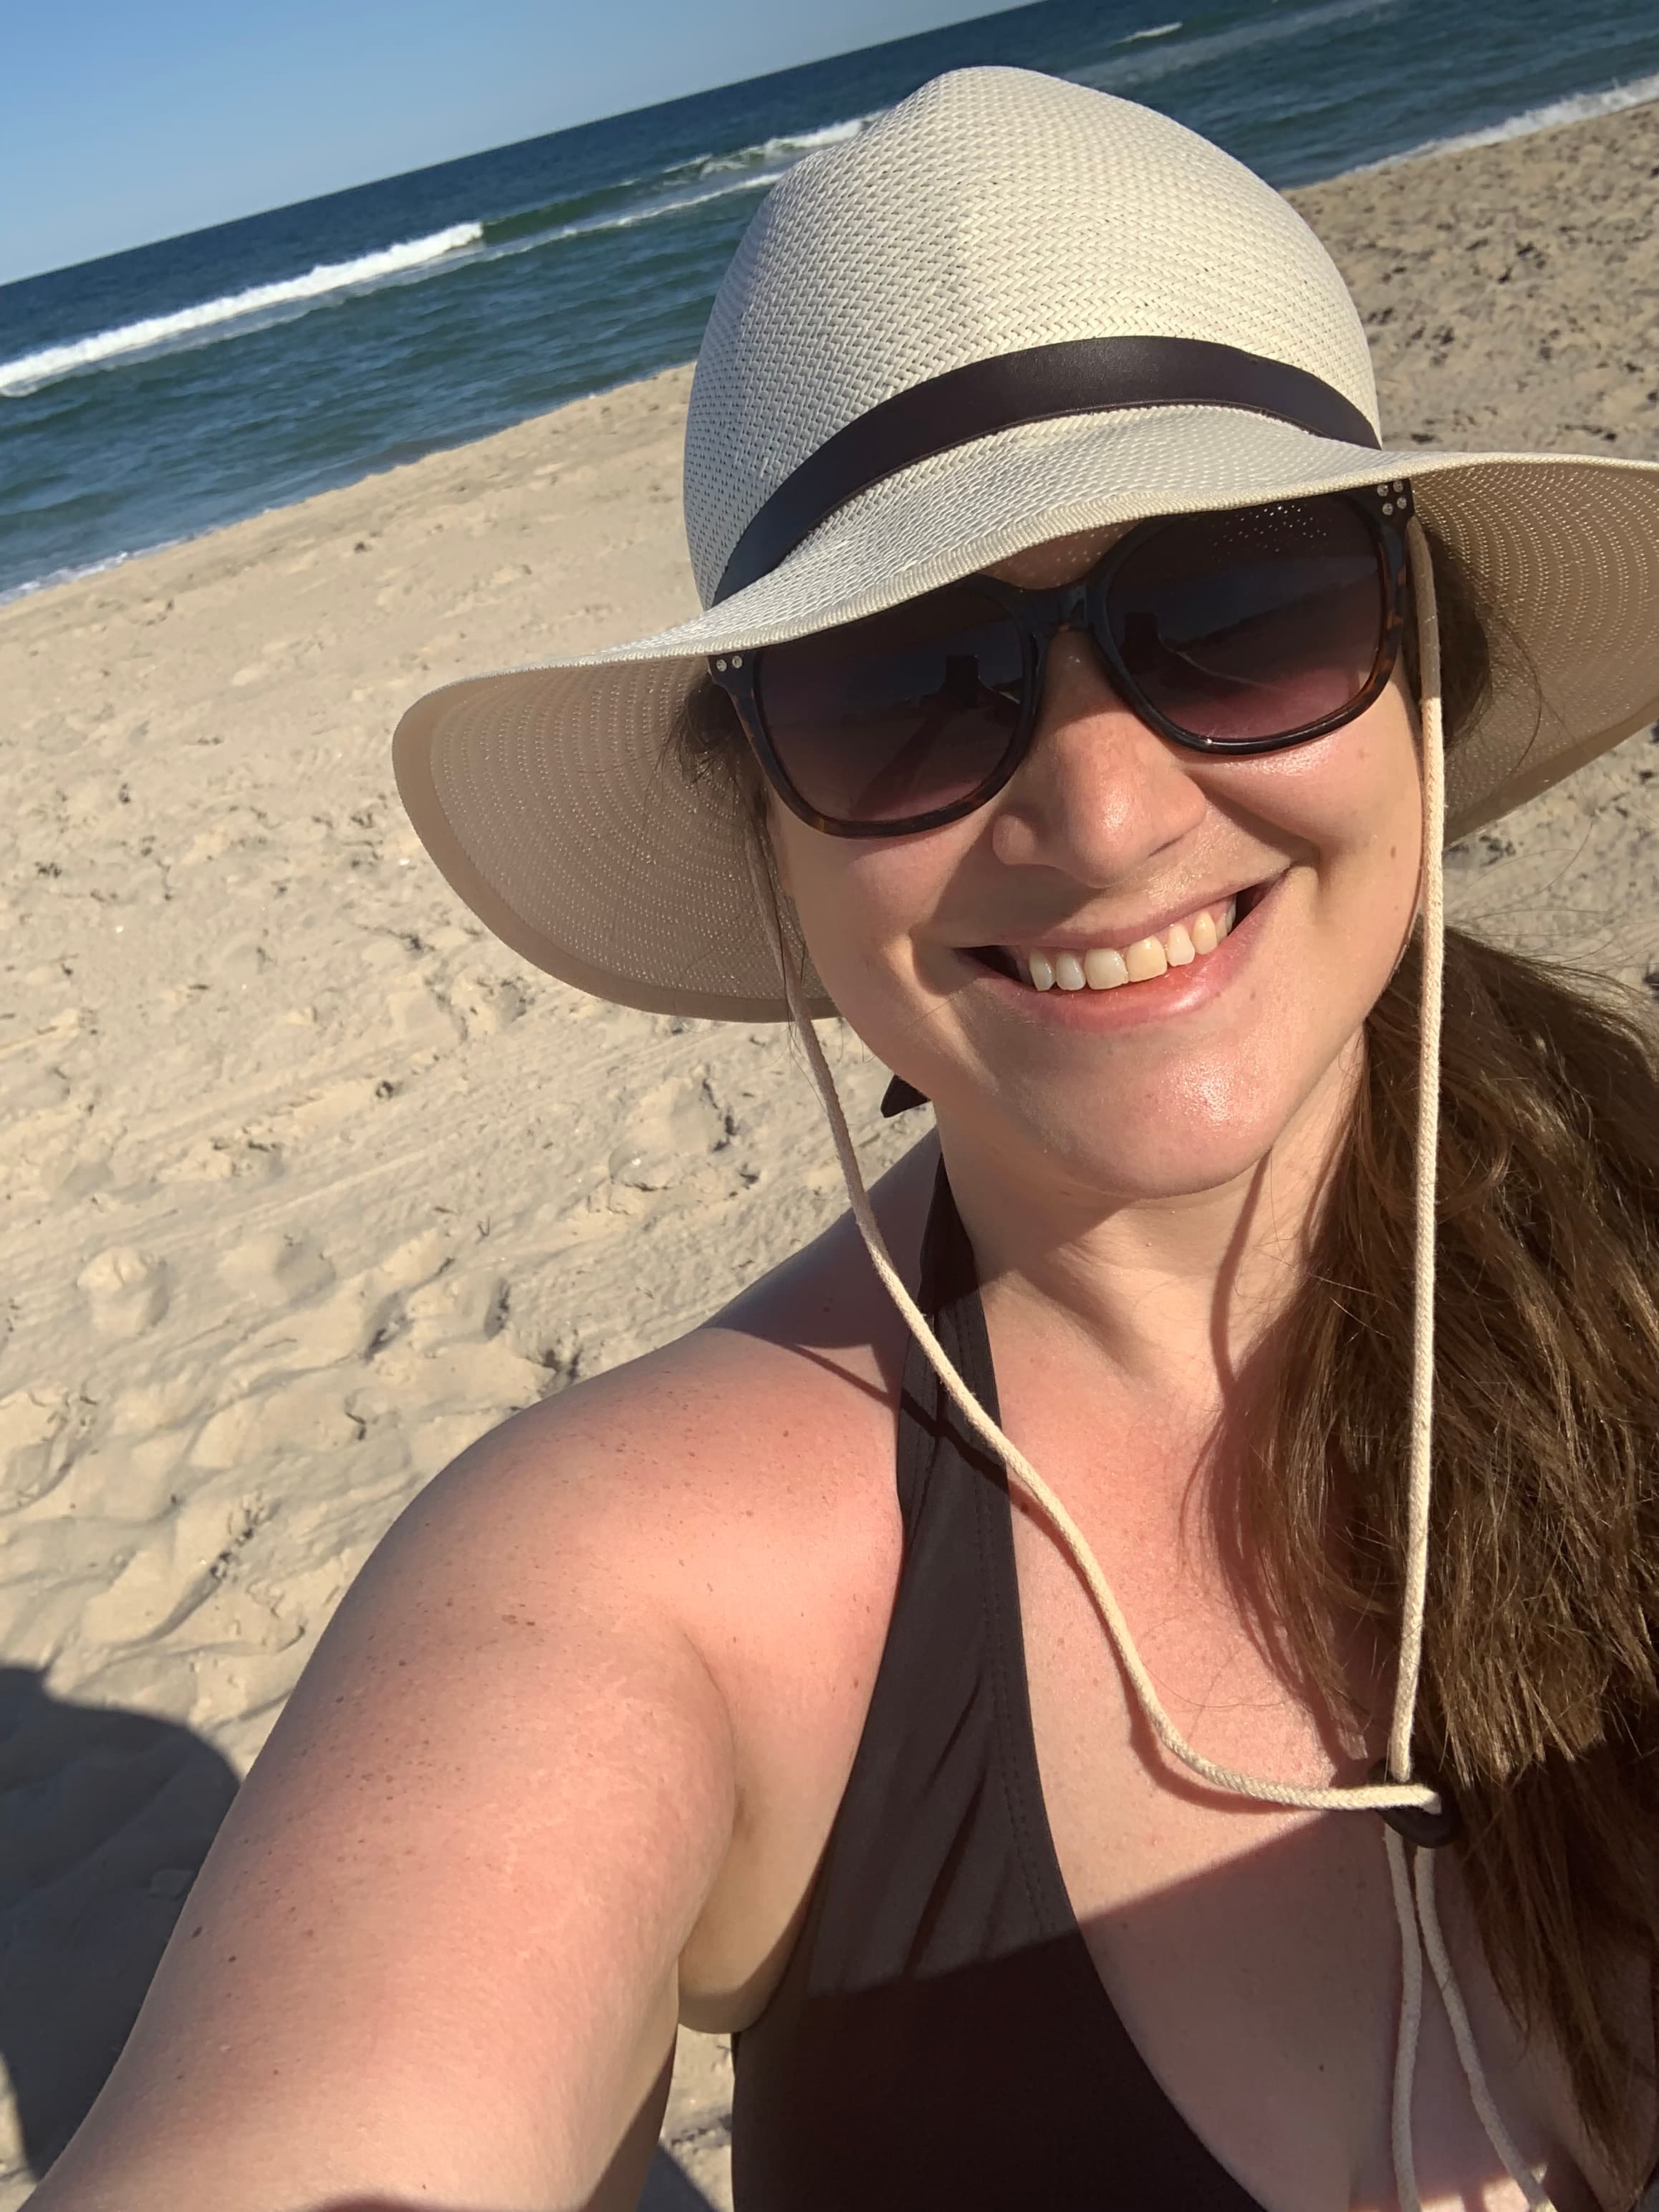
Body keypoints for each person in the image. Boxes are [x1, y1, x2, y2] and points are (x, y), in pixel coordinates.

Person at [31, 64, 1659, 2212]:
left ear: (1414, 666)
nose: (1100, 816)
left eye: (1240, 606)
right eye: (909, 681)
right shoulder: (646, 1574)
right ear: (769, 842)